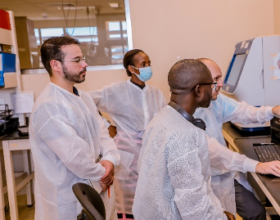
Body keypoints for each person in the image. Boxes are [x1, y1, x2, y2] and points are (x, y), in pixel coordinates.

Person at [194, 58, 280, 220]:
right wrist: (258, 166)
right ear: (200, 82)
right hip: (203, 182)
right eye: (216, 79)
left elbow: (244, 112)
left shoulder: (215, 101)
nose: (221, 84)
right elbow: (213, 152)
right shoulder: (187, 113)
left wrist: (273, 110)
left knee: (256, 212)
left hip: (224, 174)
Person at [30, 36, 120, 220]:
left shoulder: (84, 97)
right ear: (55, 65)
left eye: (83, 58)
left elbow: (103, 132)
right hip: (68, 198)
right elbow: (75, 157)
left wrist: (110, 159)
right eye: (77, 60)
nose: (85, 64)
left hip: (97, 186)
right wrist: (102, 175)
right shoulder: (49, 107)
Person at [133, 59, 235, 220]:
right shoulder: (183, 135)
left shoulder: (162, 117)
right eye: (212, 84)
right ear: (199, 90)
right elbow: (194, 208)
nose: (214, 88)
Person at [89, 49, 167, 219]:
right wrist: (106, 125)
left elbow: (165, 120)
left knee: (150, 201)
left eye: (149, 63)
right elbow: (86, 101)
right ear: (131, 69)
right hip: (127, 156)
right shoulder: (115, 91)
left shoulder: (156, 93)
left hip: (152, 155)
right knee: (126, 205)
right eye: (143, 64)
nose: (148, 67)